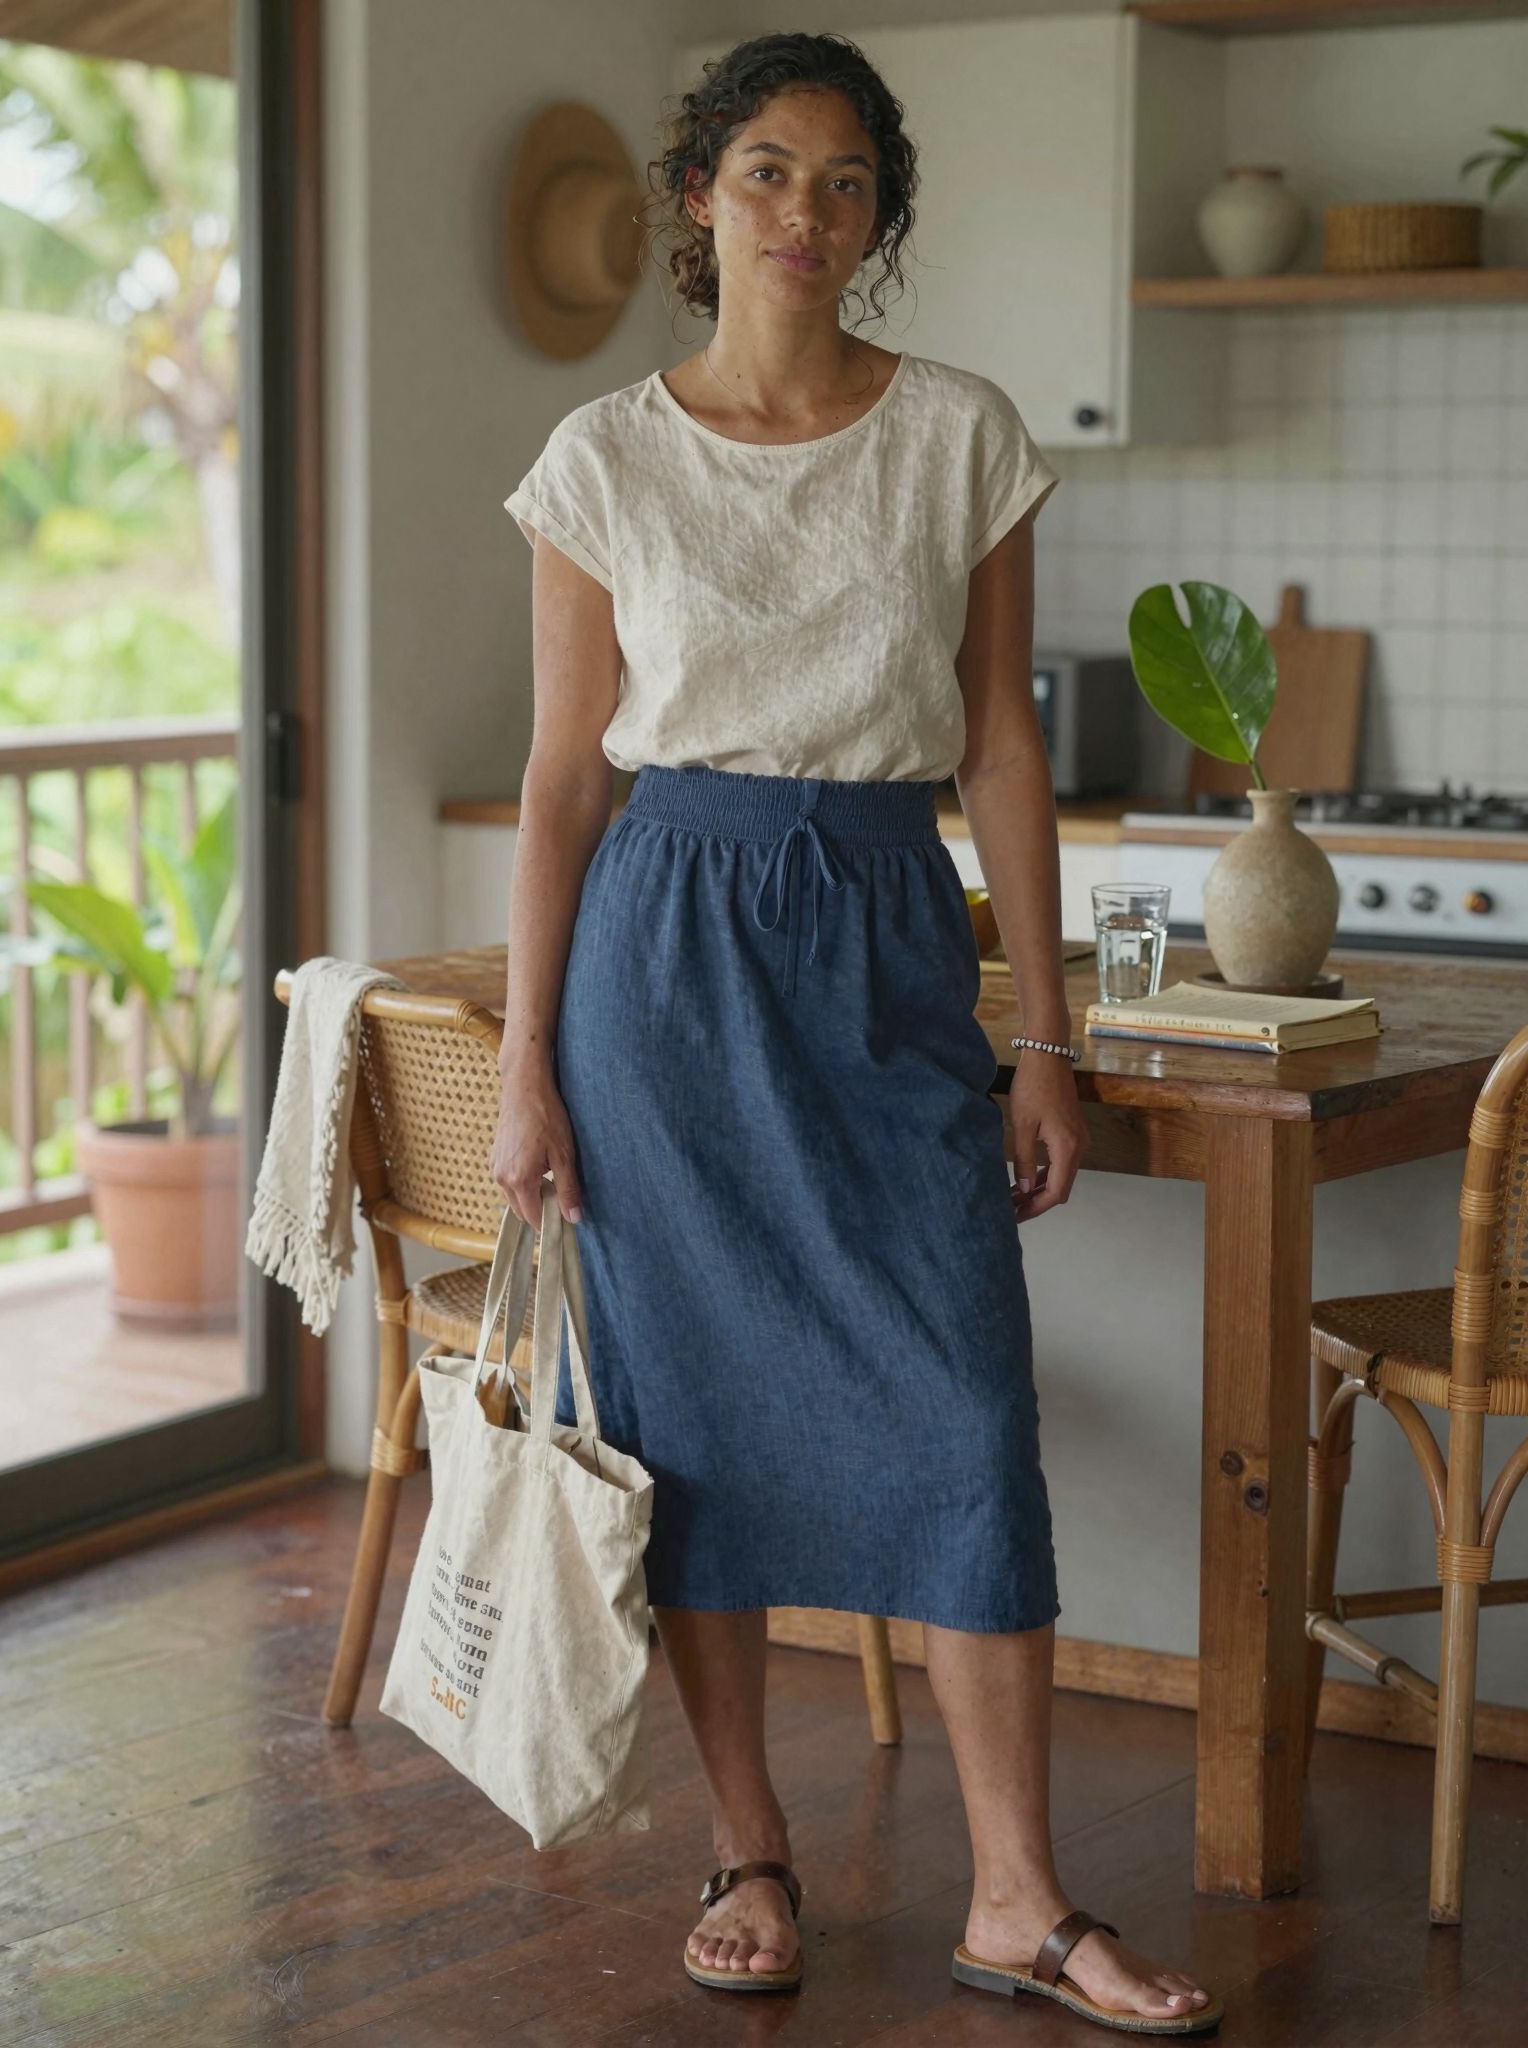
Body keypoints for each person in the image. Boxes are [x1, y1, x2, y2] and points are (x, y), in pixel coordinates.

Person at [491, 29, 1222, 2039]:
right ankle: (750, 1850)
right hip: (665, 962)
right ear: (698, 200)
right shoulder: (598, 463)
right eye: (767, 174)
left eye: (844, 184)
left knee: (969, 1412)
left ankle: (1018, 1894)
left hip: (890, 942)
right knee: (696, 1435)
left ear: (878, 220)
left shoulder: (964, 436)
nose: (806, 214)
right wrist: (529, 1065)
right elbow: (564, 787)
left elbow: (1000, 747)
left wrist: (1047, 1036)